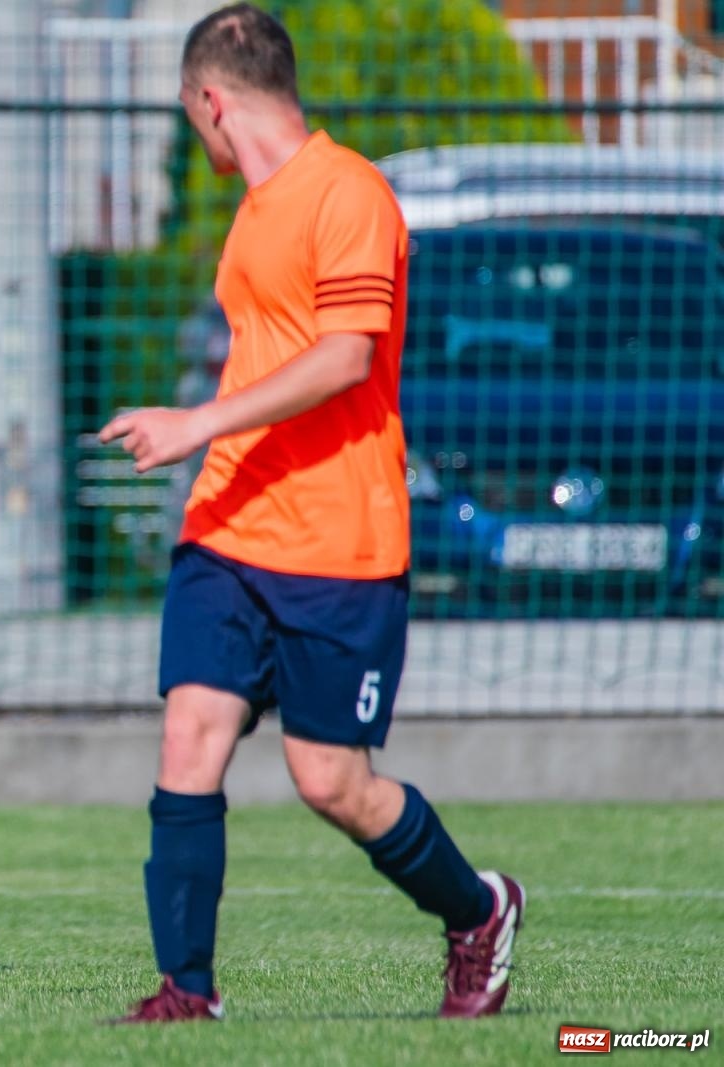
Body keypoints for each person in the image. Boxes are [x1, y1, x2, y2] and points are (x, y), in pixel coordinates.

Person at [99, 3, 523, 1022]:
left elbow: (343, 358)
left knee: (330, 779)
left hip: (339, 540)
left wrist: (196, 417)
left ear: (210, 101)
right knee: (188, 734)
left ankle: (477, 910)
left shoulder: (348, 191)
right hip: (228, 530)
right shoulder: (255, 209)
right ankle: (185, 991)